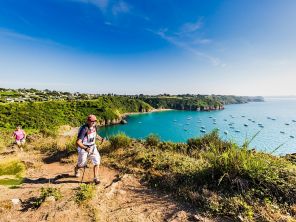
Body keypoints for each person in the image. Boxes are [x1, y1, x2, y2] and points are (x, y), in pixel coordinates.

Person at [74, 114, 104, 185]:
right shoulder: (84, 129)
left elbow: (95, 135)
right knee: (81, 164)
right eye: (92, 121)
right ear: (88, 121)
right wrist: (85, 148)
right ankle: (76, 169)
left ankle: (96, 178)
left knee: (97, 161)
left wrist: (101, 139)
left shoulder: (94, 127)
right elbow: (78, 142)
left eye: (95, 121)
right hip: (84, 148)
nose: (93, 122)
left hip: (93, 147)